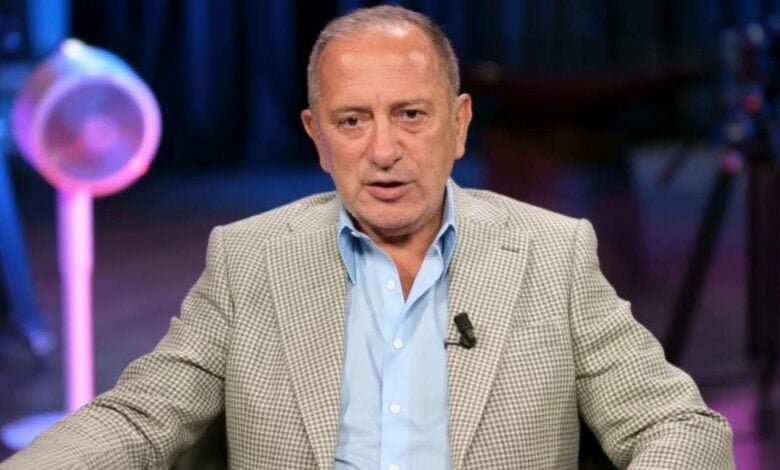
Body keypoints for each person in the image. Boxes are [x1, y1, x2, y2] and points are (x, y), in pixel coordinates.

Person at [1, 5, 734, 470]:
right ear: (317, 138)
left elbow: (678, 426)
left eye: (411, 115)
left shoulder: (552, 253)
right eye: (352, 121)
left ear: (459, 125)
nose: (384, 151)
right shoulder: (248, 259)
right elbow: (137, 421)